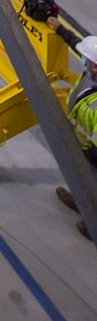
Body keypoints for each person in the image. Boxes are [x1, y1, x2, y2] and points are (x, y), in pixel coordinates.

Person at [55, 33, 97, 235]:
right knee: (83, 177)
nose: (83, 62)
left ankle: (94, 226)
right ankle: (81, 200)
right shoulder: (92, 75)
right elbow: (78, 44)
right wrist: (59, 28)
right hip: (84, 148)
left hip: (93, 154)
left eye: (85, 60)